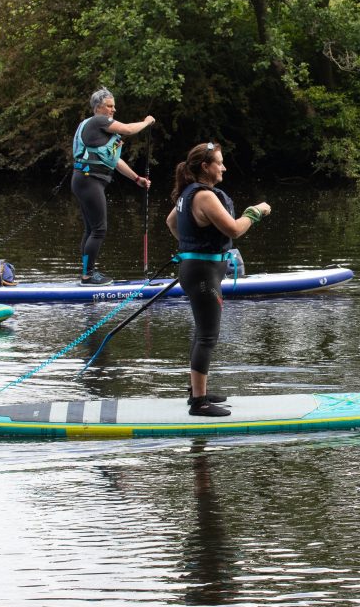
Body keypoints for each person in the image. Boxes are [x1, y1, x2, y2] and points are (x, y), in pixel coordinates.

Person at [165, 142, 271, 417]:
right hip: (202, 274)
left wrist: (190, 248)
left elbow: (171, 223)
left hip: (197, 269)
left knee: (202, 332)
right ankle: (199, 403)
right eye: (220, 163)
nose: (223, 167)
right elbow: (234, 229)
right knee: (208, 335)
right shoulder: (204, 196)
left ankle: (196, 391)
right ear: (205, 167)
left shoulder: (188, 193)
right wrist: (255, 211)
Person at [71, 87, 154, 284]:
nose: (113, 110)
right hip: (89, 180)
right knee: (99, 229)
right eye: (110, 106)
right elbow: (127, 129)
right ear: (98, 107)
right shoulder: (98, 121)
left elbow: (115, 161)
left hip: (85, 180)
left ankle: (86, 272)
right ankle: (88, 275)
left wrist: (136, 178)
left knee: (91, 229)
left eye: (114, 106)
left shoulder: (100, 132)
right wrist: (146, 122)